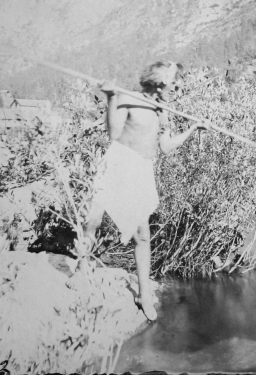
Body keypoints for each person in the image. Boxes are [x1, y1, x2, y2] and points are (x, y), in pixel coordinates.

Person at [83, 61, 208, 321]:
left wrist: (194, 129)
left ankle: (143, 294)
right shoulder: (128, 97)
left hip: (140, 170)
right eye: (175, 84)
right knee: (92, 221)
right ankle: (81, 269)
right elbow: (114, 132)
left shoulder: (163, 111)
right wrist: (111, 97)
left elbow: (166, 147)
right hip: (117, 162)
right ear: (161, 81)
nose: (177, 88)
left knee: (142, 235)